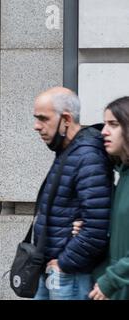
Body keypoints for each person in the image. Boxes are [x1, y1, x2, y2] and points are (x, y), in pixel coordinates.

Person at [32, 87, 113, 300]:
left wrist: (64, 263)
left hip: (69, 275)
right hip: (54, 269)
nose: (36, 126)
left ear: (66, 119)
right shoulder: (69, 150)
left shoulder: (88, 155)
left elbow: (96, 227)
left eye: (43, 118)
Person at [84, 96, 129, 300]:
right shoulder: (122, 176)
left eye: (113, 124)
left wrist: (110, 280)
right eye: (105, 124)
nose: (104, 131)